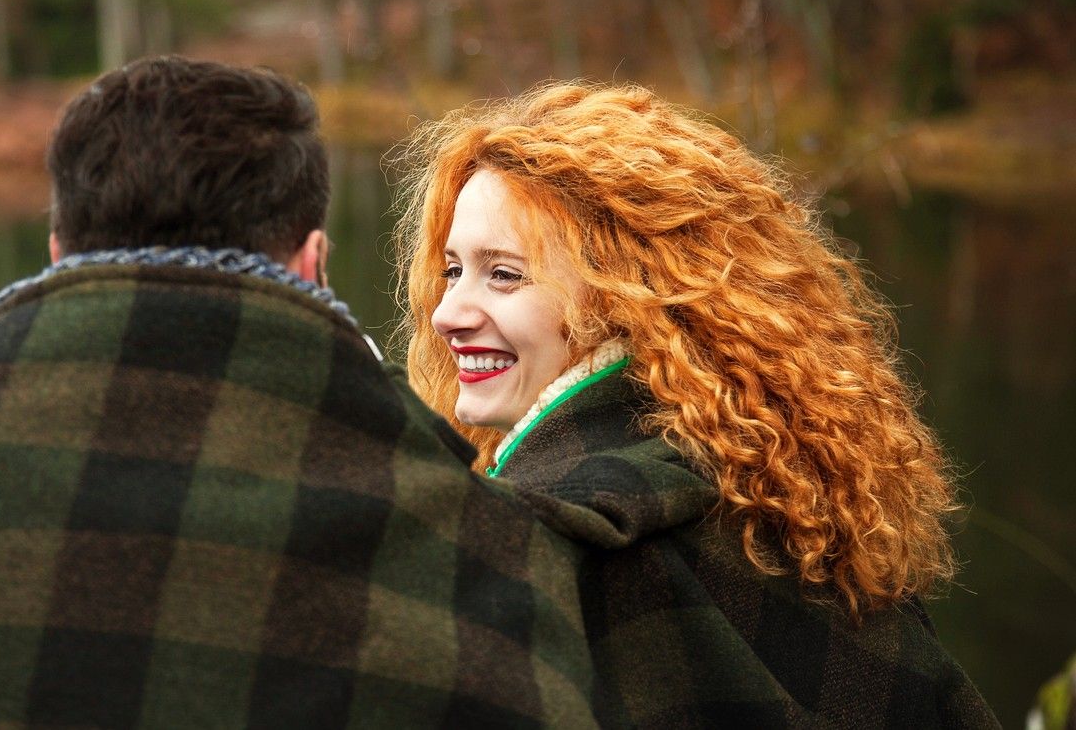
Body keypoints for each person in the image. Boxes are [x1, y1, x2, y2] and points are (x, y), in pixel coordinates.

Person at [0, 57, 599, 727]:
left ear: (56, 254)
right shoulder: (489, 558)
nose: (448, 314)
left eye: (502, 274)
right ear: (312, 263)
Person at [394, 81, 1001, 728]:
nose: (447, 313)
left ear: (624, 298)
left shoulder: (550, 541)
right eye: (452, 270)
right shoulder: (777, 490)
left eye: (504, 274)